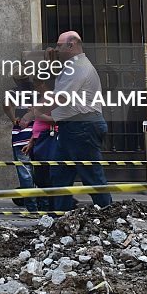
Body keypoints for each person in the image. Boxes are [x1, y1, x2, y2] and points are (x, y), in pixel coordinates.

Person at [49, 31, 113, 211]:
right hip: (71, 127)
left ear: (72, 45)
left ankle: (108, 214)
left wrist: (32, 114)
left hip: (82, 127)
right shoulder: (69, 66)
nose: (56, 49)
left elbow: (61, 96)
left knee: (92, 176)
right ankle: (59, 216)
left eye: (59, 45)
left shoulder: (79, 67)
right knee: (59, 173)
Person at [23, 75, 56, 212]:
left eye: (36, 83)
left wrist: (37, 113)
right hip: (39, 140)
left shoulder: (52, 98)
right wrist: (31, 141)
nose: (34, 86)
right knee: (39, 175)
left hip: (48, 140)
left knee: (45, 175)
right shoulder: (42, 99)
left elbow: (55, 120)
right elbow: (38, 123)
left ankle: (48, 206)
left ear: (43, 83)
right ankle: (44, 206)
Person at [3, 75, 36, 212]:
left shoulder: (12, 92)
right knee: (41, 169)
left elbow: (6, 105)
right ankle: (44, 204)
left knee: (25, 172)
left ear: (15, 80)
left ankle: (32, 208)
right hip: (38, 133)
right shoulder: (38, 91)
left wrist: (13, 119)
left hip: (21, 135)